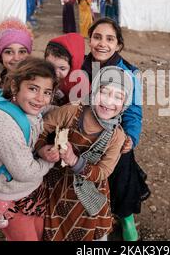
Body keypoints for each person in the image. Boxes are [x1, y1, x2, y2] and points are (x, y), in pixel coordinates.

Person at [37, 66, 132, 241]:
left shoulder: (117, 136)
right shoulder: (72, 111)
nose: (109, 102)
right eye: (104, 92)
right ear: (94, 91)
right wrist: (42, 149)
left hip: (89, 193)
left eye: (118, 97)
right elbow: (40, 128)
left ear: (125, 104)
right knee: (53, 232)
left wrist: (74, 161)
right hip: (56, 188)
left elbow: (103, 171)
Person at [82, 17, 150, 241]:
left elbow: (133, 111)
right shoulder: (80, 67)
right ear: (90, 40)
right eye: (97, 37)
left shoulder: (129, 72)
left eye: (109, 39)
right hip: (83, 135)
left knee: (121, 178)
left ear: (118, 45)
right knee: (86, 179)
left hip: (114, 137)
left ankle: (126, 219)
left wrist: (130, 137)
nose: (102, 43)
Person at [0, 57, 60, 241]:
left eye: (47, 92)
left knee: (39, 233)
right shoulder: (3, 128)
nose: (40, 98)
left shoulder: (21, 106)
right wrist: (48, 160)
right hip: (10, 197)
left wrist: (69, 111)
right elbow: (26, 172)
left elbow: (44, 108)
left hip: (31, 191)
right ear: (15, 86)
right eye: (33, 88)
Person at [0, 18, 33, 89]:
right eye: (9, 52)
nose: (16, 58)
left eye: (22, 52)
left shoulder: (38, 87)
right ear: (0, 57)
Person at [44, 33, 89, 105]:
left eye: (62, 68)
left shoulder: (82, 82)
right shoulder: (43, 74)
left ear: (73, 66)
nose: (55, 73)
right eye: (50, 66)